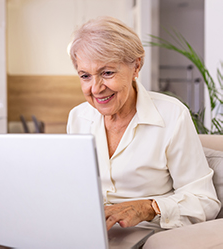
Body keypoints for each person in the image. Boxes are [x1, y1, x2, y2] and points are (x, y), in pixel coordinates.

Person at [67, 16, 221, 232]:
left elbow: (205, 201)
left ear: (136, 66)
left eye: (107, 73)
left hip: (144, 233)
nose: (96, 88)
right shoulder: (78, 117)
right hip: (88, 230)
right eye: (85, 76)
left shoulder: (172, 115)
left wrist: (148, 208)